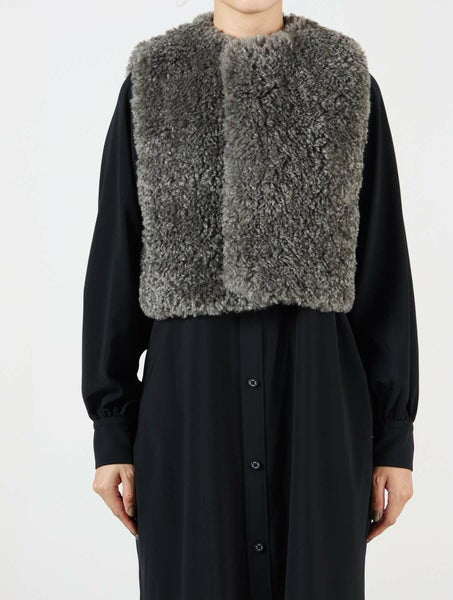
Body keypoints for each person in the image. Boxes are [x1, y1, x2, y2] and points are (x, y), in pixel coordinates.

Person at [81, 2, 419, 599]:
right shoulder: (153, 81)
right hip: (189, 418)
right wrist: (111, 429)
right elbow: (116, 253)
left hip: (314, 410)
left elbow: (382, 262)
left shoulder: (344, 81)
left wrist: (394, 438)